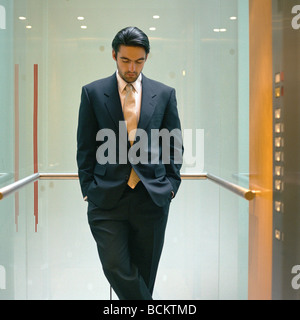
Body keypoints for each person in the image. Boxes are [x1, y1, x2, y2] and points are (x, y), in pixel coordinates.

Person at [76, 27, 183, 300]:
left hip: (152, 197)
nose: (132, 68)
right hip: (106, 197)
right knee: (114, 265)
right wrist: (88, 187)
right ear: (114, 55)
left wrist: (171, 186)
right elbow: (85, 146)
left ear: (146, 58)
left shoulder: (164, 93)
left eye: (139, 61)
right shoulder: (93, 92)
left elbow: (174, 144)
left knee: (146, 274)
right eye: (125, 60)